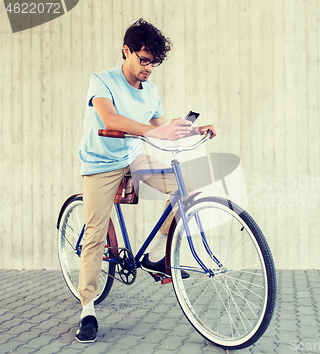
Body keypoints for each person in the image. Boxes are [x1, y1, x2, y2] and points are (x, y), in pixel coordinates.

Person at [76, 18, 216, 343]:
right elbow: (109, 119)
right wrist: (156, 131)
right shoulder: (102, 81)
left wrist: (194, 129)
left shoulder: (150, 90)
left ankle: (155, 253)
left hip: (133, 157)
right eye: (143, 59)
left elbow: (164, 130)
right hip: (100, 163)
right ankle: (87, 307)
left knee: (187, 188)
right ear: (126, 51)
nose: (148, 67)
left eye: (153, 62)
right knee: (95, 235)